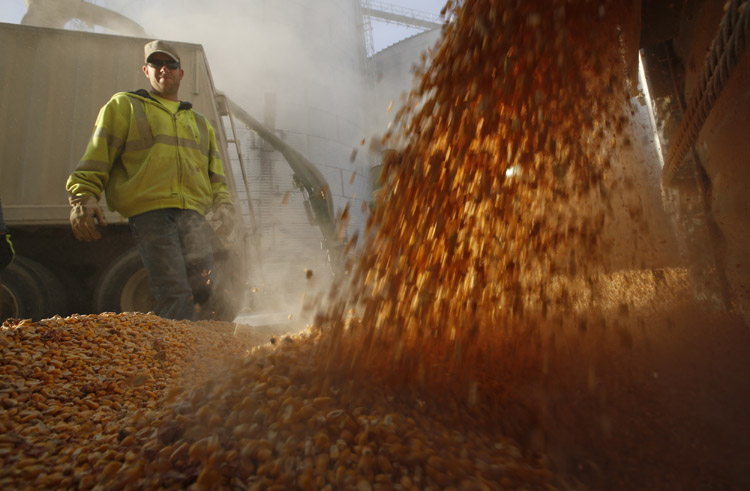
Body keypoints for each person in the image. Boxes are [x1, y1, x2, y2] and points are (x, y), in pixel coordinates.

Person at [66, 40, 235, 321]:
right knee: (175, 292)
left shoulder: (200, 122)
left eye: (171, 65)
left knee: (206, 290)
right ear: (146, 70)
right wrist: (83, 196)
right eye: (156, 64)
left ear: (181, 73)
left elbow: (215, 175)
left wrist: (225, 205)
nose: (164, 69)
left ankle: (209, 357)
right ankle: (177, 359)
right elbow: (97, 155)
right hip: (151, 214)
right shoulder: (125, 106)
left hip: (193, 215)